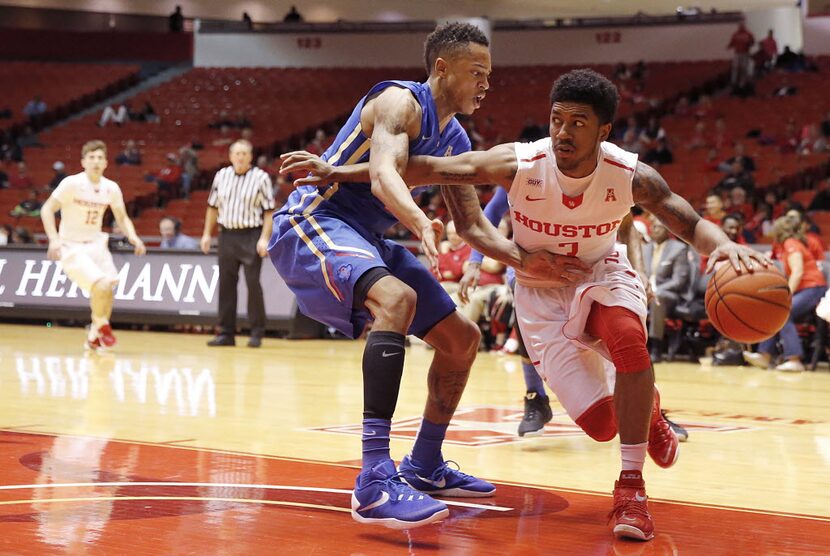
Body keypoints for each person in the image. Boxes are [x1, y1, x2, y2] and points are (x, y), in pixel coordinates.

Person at [282, 68, 766, 541]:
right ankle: (649, 410)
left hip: (599, 273)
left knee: (627, 339)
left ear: (604, 131)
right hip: (539, 291)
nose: (563, 132)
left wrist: (723, 245)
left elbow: (685, 217)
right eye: (557, 120)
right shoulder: (522, 162)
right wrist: (340, 170)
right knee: (600, 425)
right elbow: (426, 169)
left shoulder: (630, 173)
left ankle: (631, 489)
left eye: (577, 123)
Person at [269, 23, 570, 530]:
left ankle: (425, 464)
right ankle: (372, 480)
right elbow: (387, 175)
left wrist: (527, 260)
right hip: (312, 221)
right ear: (441, 68)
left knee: (463, 339)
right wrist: (416, 221)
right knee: (397, 299)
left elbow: (474, 225)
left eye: (489, 75)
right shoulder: (397, 102)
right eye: (477, 72)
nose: (485, 84)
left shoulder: (454, 137)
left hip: (367, 237)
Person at [40, 140, 146, 350]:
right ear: (83, 162)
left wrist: (133, 237)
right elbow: (47, 209)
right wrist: (53, 239)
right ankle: (102, 323)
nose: (96, 162)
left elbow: (122, 218)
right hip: (72, 246)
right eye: (91, 158)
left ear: (106, 163)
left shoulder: (111, 188)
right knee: (101, 285)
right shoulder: (72, 183)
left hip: (97, 244)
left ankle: (94, 335)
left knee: (106, 291)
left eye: (99, 158)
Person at [201, 139, 274, 348]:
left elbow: (269, 212)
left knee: (252, 284)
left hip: (251, 235)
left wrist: (264, 238)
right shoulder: (221, 175)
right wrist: (207, 234)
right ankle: (225, 333)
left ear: (250, 156)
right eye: (237, 153)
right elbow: (212, 207)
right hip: (227, 236)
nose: (240, 157)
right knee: (226, 286)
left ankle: (257, 331)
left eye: (244, 153)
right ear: (230, 156)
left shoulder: (261, 178)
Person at [744, 217, 826, 372]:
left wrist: (786, 295)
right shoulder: (790, 243)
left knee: (783, 312)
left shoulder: (790, 243)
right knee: (776, 313)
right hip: (809, 288)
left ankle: (794, 359)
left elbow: (798, 272)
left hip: (814, 288)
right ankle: (765, 355)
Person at [643, 217, 690, 362]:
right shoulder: (644, 249)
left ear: (668, 230)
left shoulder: (678, 248)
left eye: (658, 226)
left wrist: (655, 291)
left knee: (659, 297)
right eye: (653, 226)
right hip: (644, 293)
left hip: (670, 296)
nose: (654, 229)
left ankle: (656, 347)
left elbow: (678, 281)